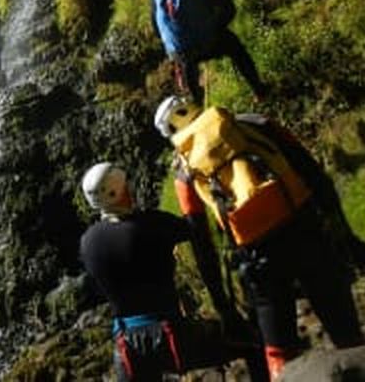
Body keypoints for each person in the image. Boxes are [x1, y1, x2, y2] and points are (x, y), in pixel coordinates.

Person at [154, 96, 365, 380]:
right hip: (307, 232)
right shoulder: (254, 123)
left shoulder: (185, 173)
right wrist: (346, 235)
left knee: (280, 355)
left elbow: (202, 243)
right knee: (348, 336)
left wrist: (224, 308)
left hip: (259, 261)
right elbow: (315, 175)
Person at [79, 162, 266, 381]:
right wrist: (189, 184)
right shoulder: (150, 224)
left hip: (127, 346)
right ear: (117, 192)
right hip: (172, 335)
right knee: (252, 346)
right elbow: (193, 226)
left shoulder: (87, 242)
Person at [151, 0, 268, 105]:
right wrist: (213, 28)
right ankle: (260, 92)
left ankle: (197, 109)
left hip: (177, 52)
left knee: (187, 68)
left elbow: (156, 26)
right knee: (235, 47)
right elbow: (229, 10)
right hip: (205, 42)